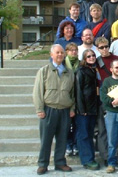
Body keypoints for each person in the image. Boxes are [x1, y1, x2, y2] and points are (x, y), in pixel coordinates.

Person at [33, 44, 75, 175]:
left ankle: (60, 162)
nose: (60, 55)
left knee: (62, 138)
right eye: (57, 53)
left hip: (64, 110)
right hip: (49, 110)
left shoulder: (69, 72)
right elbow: (37, 91)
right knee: (46, 139)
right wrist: (39, 109)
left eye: (62, 53)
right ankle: (43, 164)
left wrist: (72, 108)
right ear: (51, 55)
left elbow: (73, 93)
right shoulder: (44, 71)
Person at [95, 36, 118, 166]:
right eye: (101, 47)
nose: (104, 49)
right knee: (103, 130)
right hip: (102, 98)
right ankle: (106, 156)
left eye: (106, 46)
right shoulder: (96, 61)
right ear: (97, 49)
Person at [75, 49, 100, 170]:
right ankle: (87, 160)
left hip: (92, 107)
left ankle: (91, 158)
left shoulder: (94, 70)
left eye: (93, 55)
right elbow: (78, 91)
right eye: (88, 56)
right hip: (83, 109)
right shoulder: (80, 71)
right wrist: (81, 109)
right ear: (84, 59)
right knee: (83, 135)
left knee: (90, 134)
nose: (91, 57)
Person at [64, 43, 80, 157]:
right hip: (66, 97)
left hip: (78, 97)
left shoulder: (81, 64)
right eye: (71, 50)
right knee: (66, 125)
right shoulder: (63, 64)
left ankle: (75, 144)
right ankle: (68, 144)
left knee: (76, 125)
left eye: (75, 50)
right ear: (67, 52)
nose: (73, 52)